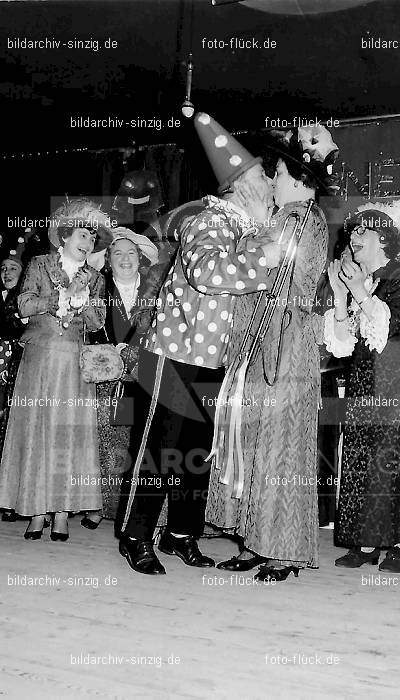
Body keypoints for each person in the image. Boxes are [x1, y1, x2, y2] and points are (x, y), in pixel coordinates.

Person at [116, 112, 284, 575]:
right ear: (243, 186)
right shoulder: (209, 221)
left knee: (195, 454)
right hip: (174, 355)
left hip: (213, 361)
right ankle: (135, 535)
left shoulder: (242, 229)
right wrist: (263, 263)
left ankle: (180, 533)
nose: (271, 189)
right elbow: (207, 274)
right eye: (265, 181)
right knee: (158, 449)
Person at [205, 125, 338, 581]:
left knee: (280, 444)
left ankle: (280, 548)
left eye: (277, 172)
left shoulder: (299, 217)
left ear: (299, 176)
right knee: (257, 437)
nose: (273, 180)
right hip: (265, 335)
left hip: (285, 339)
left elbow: (265, 268)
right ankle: (254, 540)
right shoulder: (288, 217)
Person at [325, 199, 400, 572]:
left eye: (364, 233)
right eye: (353, 234)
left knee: (398, 456)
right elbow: (344, 344)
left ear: (384, 239)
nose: (355, 239)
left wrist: (359, 291)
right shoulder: (360, 279)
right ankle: (367, 541)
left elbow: (389, 327)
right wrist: (343, 295)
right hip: (366, 377)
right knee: (362, 455)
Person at [0, 199, 111, 541]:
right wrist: (54, 300)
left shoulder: (94, 278)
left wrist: (85, 301)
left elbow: (97, 323)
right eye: (82, 235)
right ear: (64, 236)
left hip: (73, 365)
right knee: (35, 433)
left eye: (92, 239)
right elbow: (23, 303)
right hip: (39, 360)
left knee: (67, 437)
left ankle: (61, 513)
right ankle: (35, 511)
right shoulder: (39, 263)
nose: (87, 242)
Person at [82, 228, 160, 527]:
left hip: (145, 376)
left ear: (139, 258)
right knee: (108, 441)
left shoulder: (154, 290)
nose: (125, 258)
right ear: (108, 260)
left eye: (131, 252)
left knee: (139, 442)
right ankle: (100, 506)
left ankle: (135, 511)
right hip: (108, 377)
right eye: (118, 253)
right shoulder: (98, 289)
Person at [0, 244, 29, 522]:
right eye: (3, 268)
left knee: (13, 427)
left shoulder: (24, 299)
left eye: (13, 268)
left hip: (16, 366)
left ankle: (13, 499)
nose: (7, 272)